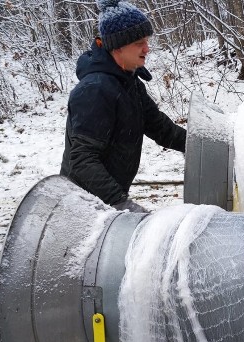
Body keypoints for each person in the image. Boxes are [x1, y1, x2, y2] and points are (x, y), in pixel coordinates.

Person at [60, 0, 186, 213]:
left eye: (146, 41)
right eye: (139, 43)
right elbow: (82, 160)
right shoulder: (95, 90)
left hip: (108, 198)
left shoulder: (129, 82)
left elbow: (160, 127)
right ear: (117, 45)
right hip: (83, 205)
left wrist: (199, 147)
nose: (147, 48)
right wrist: (120, 203)